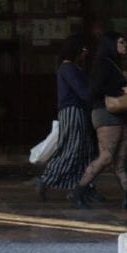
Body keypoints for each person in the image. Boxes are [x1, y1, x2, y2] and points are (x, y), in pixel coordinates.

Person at [71, 32, 127, 208]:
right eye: (121, 42)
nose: (125, 45)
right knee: (107, 157)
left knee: (121, 160)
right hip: (105, 114)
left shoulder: (114, 63)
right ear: (111, 44)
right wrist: (121, 90)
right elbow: (94, 90)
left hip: (119, 115)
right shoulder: (103, 64)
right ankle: (78, 191)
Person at [36, 34, 96, 202]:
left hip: (75, 111)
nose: (85, 53)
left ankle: (84, 187)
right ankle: (46, 180)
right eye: (83, 49)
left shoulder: (71, 68)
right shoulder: (69, 69)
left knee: (84, 150)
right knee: (72, 148)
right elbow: (82, 92)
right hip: (73, 111)